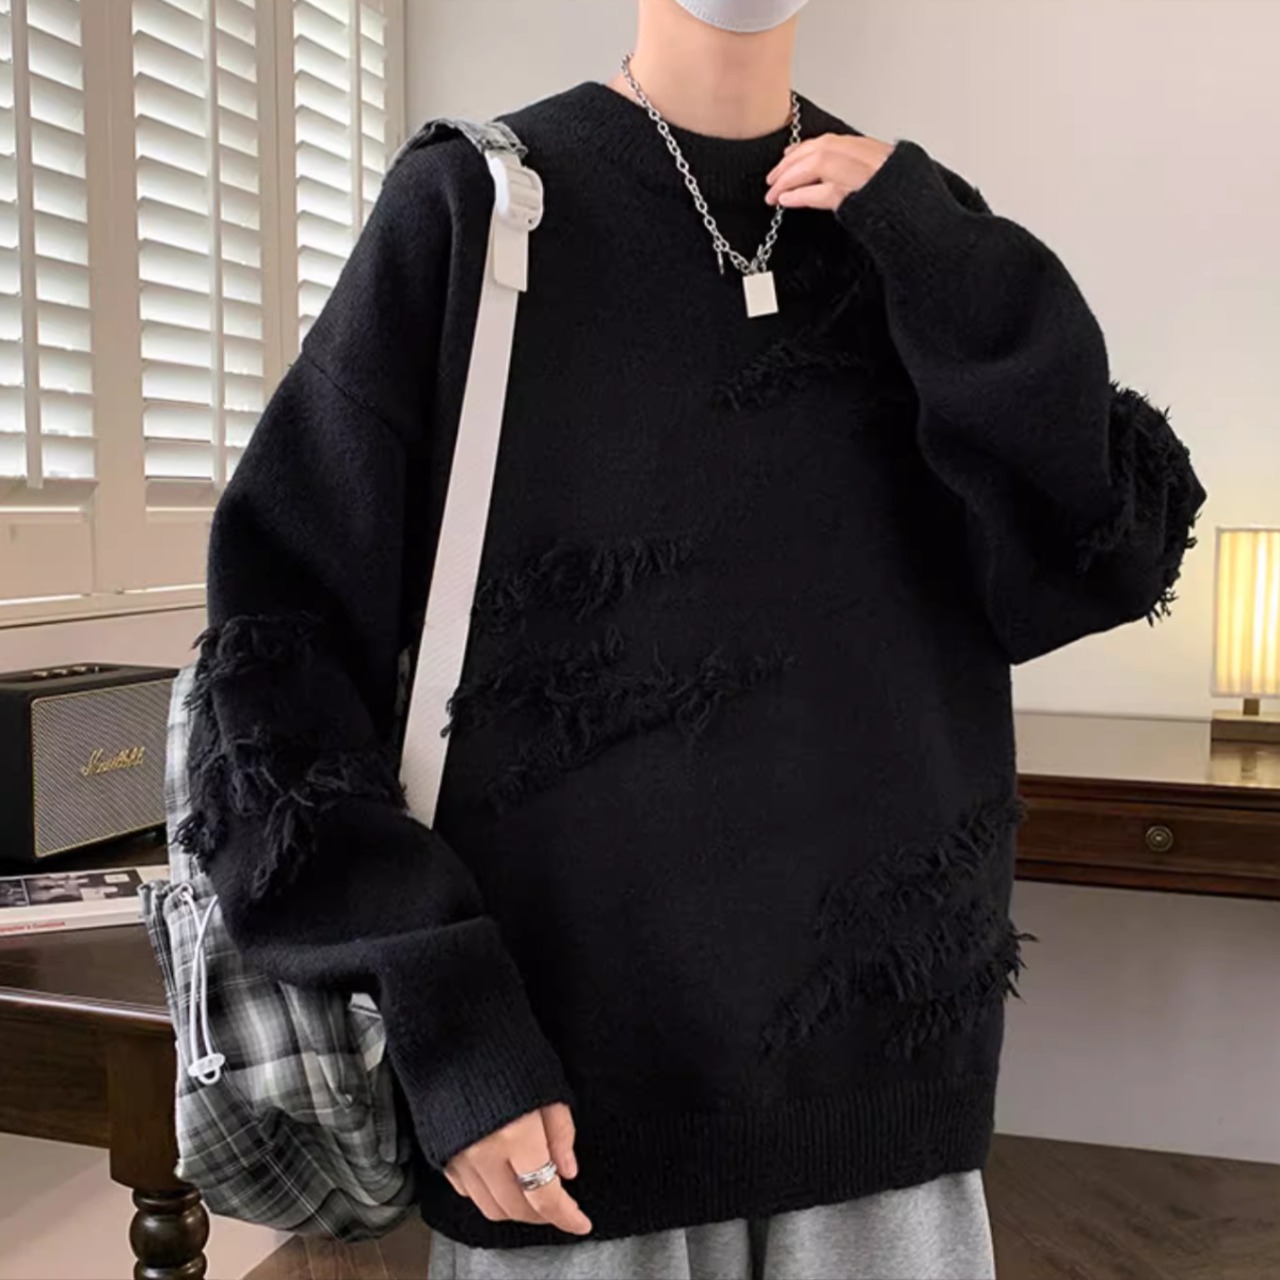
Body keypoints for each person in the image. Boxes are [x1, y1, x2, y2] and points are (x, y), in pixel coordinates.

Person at [182, 0, 1206, 1275]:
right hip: (566, 1105)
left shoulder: (910, 228)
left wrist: (945, 248)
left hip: (882, 1097)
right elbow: (275, 661)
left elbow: (1099, 550)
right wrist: (448, 1017)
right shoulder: (473, 209)